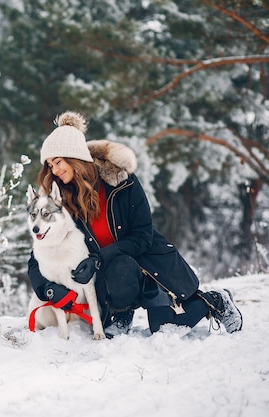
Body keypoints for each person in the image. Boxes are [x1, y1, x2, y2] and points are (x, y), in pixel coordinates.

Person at [28, 111, 243, 337]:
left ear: (75, 157)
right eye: (50, 165)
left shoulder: (122, 181)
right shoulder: (60, 203)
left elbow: (142, 235)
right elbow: (38, 252)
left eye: (58, 162)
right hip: (112, 279)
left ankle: (216, 300)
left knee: (165, 330)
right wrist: (47, 288)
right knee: (119, 270)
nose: (54, 170)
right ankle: (122, 311)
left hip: (149, 266)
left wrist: (98, 258)